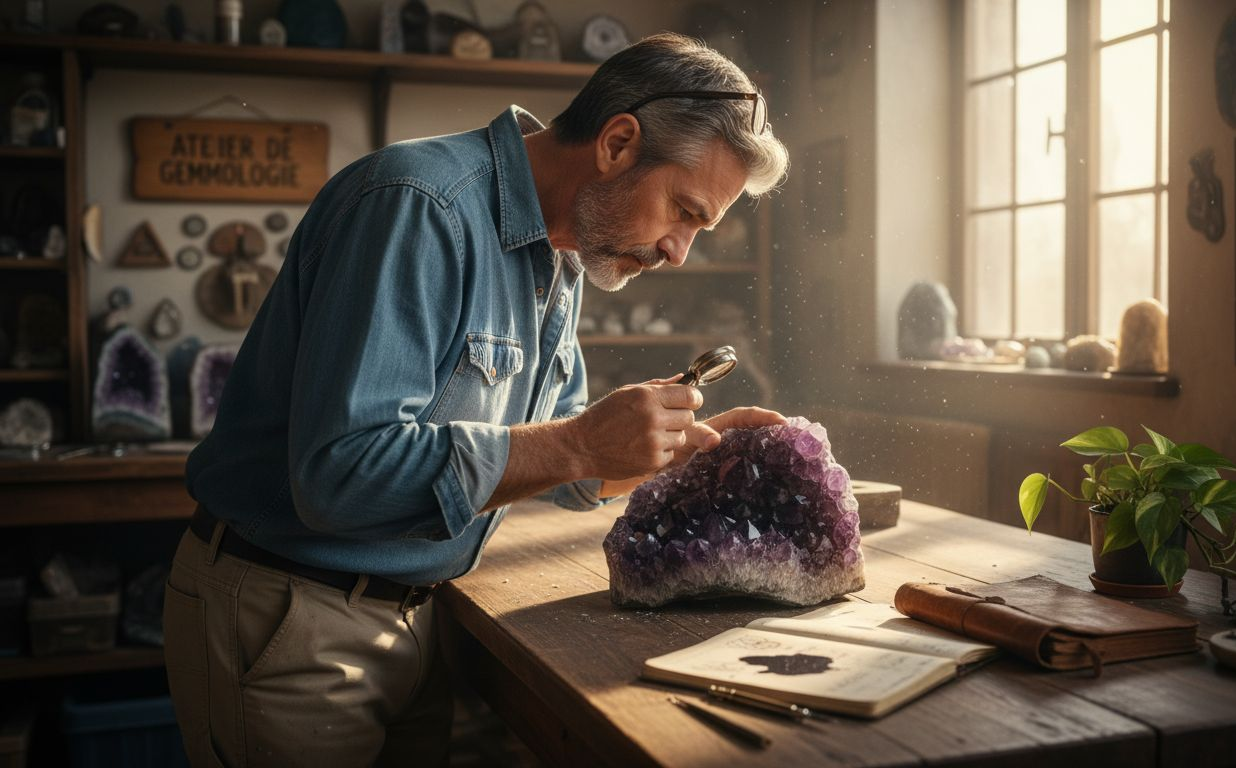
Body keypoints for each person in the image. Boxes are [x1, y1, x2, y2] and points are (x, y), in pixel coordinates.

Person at [163, 32, 789, 767]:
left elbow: (567, 468)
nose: (680, 250)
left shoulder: (563, 252)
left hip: (415, 620)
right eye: (685, 211)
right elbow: (339, 475)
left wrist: (680, 450)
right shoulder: (418, 205)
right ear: (618, 143)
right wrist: (582, 442)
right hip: (291, 618)